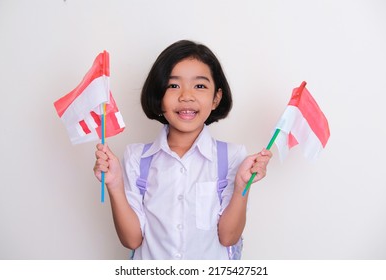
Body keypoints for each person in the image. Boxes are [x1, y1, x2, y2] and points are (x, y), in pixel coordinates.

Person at [93, 40, 272, 259]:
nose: (186, 96)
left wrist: (241, 188)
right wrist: (115, 186)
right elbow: (131, 240)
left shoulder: (232, 157)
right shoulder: (137, 158)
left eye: (199, 86)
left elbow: (228, 238)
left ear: (216, 98)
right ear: (159, 97)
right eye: (173, 85)